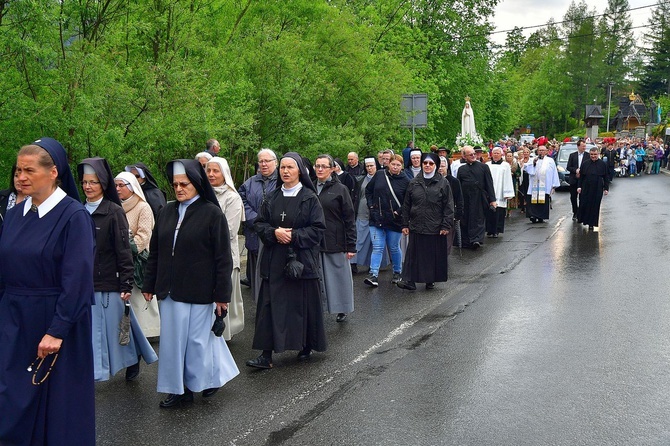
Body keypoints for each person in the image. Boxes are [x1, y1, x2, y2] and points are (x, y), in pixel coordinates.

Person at [0, 137, 96, 445]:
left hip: (55, 321)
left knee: (56, 403)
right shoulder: (14, 214)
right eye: (17, 171)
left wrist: (58, 329)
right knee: (12, 395)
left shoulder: (73, 216)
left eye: (29, 171)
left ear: (53, 172)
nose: (21, 177)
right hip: (14, 318)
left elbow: (78, 279)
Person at [142, 159, 238, 407]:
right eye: (175, 185)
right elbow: (156, 252)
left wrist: (221, 295)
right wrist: (149, 284)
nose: (179, 189)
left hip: (200, 289)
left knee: (197, 343)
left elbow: (222, 259)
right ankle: (179, 389)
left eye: (184, 184)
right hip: (170, 290)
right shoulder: (167, 211)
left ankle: (203, 381)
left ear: (197, 183)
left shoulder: (211, 213)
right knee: (172, 344)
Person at [78, 157, 157, 382]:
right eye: (84, 182)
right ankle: (98, 371)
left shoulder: (114, 212)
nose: (87, 186)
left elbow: (124, 250)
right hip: (87, 281)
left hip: (110, 282)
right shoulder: (78, 210)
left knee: (117, 327)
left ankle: (134, 356)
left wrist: (126, 282)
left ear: (103, 183)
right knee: (98, 329)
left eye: (93, 182)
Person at [247, 152, 327, 369]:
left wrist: (293, 236)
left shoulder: (310, 198)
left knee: (302, 304)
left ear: (299, 171)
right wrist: (274, 233)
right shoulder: (271, 198)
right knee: (270, 305)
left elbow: (318, 229)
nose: (285, 171)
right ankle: (266, 355)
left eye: (290, 167)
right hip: (275, 260)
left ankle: (305, 345)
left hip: (301, 261)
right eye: (282, 167)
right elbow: (260, 224)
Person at [397, 152, 454, 291]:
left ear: (436, 165)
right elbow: (407, 205)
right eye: (425, 163)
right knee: (414, 255)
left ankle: (430, 279)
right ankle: (409, 281)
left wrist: (446, 225)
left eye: (431, 163)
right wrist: (405, 224)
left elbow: (448, 206)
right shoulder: (414, 182)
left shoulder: (443, 183)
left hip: (435, 226)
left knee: (431, 255)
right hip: (417, 224)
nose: (427, 166)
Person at [114, 171, 161, 338]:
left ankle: (148, 332)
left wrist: (128, 250)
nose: (117, 189)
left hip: (138, 260)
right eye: (116, 185)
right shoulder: (114, 206)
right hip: (118, 260)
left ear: (132, 187)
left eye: (121, 185)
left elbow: (144, 235)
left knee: (140, 299)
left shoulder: (143, 207)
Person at [314, 155, 356, 322]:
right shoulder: (309, 187)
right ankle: (319, 307)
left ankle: (342, 308)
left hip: (335, 240)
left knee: (338, 278)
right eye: (317, 166)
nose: (320, 169)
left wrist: (351, 245)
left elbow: (349, 218)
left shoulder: (340, 189)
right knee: (318, 278)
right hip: (314, 240)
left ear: (332, 169)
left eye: (324, 166)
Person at [207, 157, 245, 340]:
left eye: (216, 171)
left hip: (224, 254)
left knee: (222, 295)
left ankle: (223, 336)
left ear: (225, 174)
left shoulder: (232, 197)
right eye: (208, 171)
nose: (211, 174)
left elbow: (229, 230)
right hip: (203, 256)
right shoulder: (202, 194)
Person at [238, 148, 278, 301]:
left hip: (274, 233)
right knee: (257, 275)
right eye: (261, 161)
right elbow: (241, 202)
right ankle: (260, 306)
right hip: (255, 233)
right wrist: (256, 220)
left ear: (275, 162)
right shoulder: (250, 183)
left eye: (267, 161)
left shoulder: (282, 180)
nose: (264, 164)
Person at [364, 154, 409, 286]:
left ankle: (397, 272)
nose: (395, 167)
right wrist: (371, 205)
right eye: (393, 164)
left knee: (394, 247)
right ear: (388, 164)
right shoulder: (379, 175)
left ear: (402, 166)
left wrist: (398, 212)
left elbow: (408, 200)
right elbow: (368, 190)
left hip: (394, 219)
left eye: (398, 165)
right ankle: (373, 274)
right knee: (377, 247)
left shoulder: (406, 181)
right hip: (376, 217)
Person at [457, 146, 496, 249]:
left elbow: (489, 184)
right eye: (470, 154)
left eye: (474, 153)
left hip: (479, 197)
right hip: (465, 198)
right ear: (464, 156)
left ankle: (476, 239)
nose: (473, 156)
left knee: (478, 218)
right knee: (465, 218)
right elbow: (459, 186)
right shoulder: (461, 169)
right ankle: (466, 240)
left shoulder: (484, 167)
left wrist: (492, 200)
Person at [522, 145, 560, 223]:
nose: (541, 152)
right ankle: (533, 215)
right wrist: (533, 164)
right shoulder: (533, 159)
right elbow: (527, 169)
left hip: (545, 185)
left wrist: (554, 185)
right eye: (540, 150)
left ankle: (541, 216)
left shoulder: (550, 160)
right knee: (533, 200)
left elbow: (554, 173)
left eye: (543, 150)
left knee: (543, 200)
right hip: (534, 185)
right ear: (537, 151)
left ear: (546, 151)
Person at [485, 148, 515, 238]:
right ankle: (489, 230)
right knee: (489, 211)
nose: (496, 155)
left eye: (498, 153)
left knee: (499, 211)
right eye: (494, 153)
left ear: (501, 155)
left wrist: (507, 193)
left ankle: (497, 230)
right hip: (489, 191)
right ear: (491, 154)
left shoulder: (505, 165)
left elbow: (508, 179)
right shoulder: (487, 165)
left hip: (500, 191)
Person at [577, 148, 609, 230]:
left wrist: (606, 188)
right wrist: (579, 186)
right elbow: (581, 177)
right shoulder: (585, 163)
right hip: (586, 186)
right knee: (585, 204)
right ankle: (585, 220)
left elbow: (606, 177)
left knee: (595, 205)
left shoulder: (603, 164)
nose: (593, 156)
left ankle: (592, 223)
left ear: (598, 154)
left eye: (595, 154)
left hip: (598, 186)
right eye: (591, 154)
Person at [441, 157, 463, 255]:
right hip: (434, 215)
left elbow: (459, 198)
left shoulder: (454, 181)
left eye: (443, 166)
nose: (440, 168)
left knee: (447, 241)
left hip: (449, 215)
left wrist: (458, 214)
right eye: (439, 166)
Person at [566, 139, 587, 221]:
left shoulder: (588, 156)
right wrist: (575, 170)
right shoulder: (572, 155)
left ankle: (581, 213)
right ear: (578, 146)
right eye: (583, 146)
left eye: (585, 146)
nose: (584, 148)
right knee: (573, 197)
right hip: (574, 179)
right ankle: (575, 212)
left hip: (583, 180)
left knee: (583, 197)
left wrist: (581, 172)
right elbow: (568, 167)